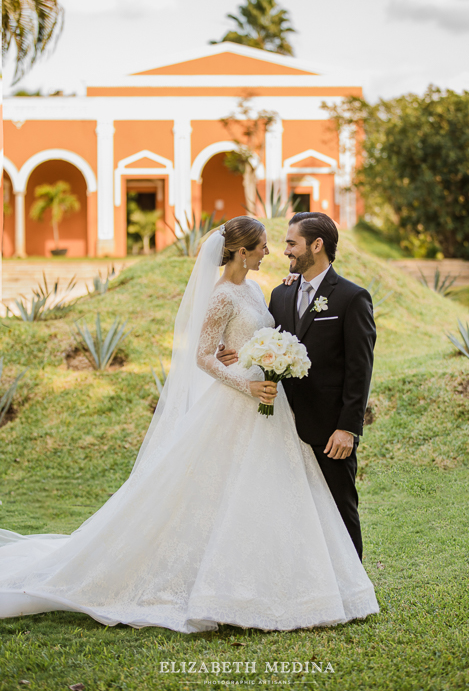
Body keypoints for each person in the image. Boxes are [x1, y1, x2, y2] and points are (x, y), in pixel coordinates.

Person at [0, 216, 379, 633]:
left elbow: (335, 361)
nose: (276, 251)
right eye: (268, 245)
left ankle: (336, 581)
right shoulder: (248, 293)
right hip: (243, 405)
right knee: (228, 496)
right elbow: (204, 355)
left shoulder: (285, 292)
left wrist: (256, 362)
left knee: (295, 498)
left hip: (290, 415)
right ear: (241, 251)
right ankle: (233, 587)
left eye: (288, 243)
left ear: (317, 245)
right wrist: (245, 379)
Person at [218, 213, 375, 561]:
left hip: (329, 429)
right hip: (282, 427)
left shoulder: (352, 298)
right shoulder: (280, 295)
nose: (284, 250)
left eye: (292, 243)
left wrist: (347, 428)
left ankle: (354, 587)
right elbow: (266, 343)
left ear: (316, 246)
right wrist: (234, 353)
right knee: (295, 514)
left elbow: (359, 371)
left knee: (339, 508)